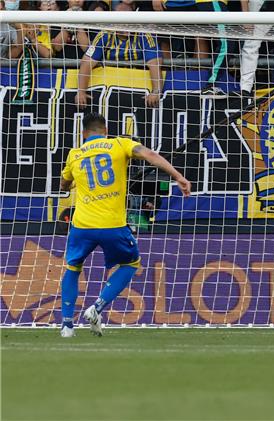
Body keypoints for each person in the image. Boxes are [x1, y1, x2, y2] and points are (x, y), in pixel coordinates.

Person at [58, 113, 191, 338]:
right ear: (106, 131)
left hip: (82, 226)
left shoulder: (75, 154)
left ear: (83, 133)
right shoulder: (119, 144)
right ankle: (97, 307)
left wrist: (71, 183)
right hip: (112, 225)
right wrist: (178, 176)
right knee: (131, 263)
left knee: (73, 268)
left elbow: (63, 184)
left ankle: (66, 326)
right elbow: (149, 155)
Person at [76, 30, 163, 108]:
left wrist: (156, 91)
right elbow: (87, 62)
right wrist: (81, 91)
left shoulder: (144, 34)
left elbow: (155, 63)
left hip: (138, 89)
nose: (127, 26)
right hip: (110, 88)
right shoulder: (105, 34)